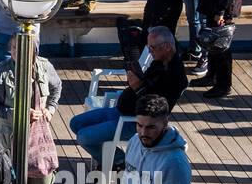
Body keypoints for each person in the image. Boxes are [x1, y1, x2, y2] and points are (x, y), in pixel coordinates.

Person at [69, 26, 186, 167]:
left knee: (84, 137)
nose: (149, 51)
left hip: (133, 122)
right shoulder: (159, 62)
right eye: (148, 47)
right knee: (76, 123)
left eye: (152, 48)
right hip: (119, 111)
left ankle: (120, 161)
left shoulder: (176, 77)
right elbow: (147, 86)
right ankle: (108, 157)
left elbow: (155, 109)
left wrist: (138, 87)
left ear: (167, 46)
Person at [0, 48, 61, 184]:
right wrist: (19, 114)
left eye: (20, 48)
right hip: (9, 137)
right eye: (13, 48)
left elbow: (56, 87)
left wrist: (50, 110)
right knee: (11, 183)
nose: (16, 52)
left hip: (38, 138)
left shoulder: (44, 66)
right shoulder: (2, 71)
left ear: (33, 51)